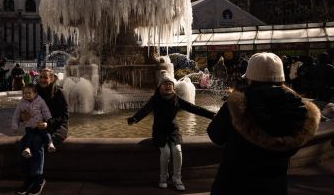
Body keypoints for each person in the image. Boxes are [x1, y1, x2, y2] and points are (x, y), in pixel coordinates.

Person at [207, 52, 321, 195]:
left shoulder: (237, 105)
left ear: (250, 78)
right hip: (275, 187)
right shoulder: (298, 109)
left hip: (234, 185)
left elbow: (215, 135)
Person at [127, 71, 215, 191]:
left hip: (173, 129)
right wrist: (134, 119)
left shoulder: (176, 99)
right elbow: (145, 110)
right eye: (165, 84)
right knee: (165, 152)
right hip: (159, 130)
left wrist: (212, 115)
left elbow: (194, 108)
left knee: (177, 150)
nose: (168, 86)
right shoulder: (155, 99)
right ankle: (163, 177)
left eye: (170, 84)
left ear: (173, 86)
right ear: (160, 86)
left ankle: (177, 178)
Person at [16, 69, 69, 195]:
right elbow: (24, 109)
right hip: (38, 127)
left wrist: (48, 123)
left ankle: (39, 179)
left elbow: (64, 117)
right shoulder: (34, 92)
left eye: (46, 78)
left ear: (51, 79)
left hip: (57, 127)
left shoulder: (59, 93)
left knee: (38, 142)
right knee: (22, 144)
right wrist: (22, 117)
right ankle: (28, 179)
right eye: (41, 77)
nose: (43, 80)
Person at [12, 84, 56, 160]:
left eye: (29, 93)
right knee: (30, 136)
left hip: (39, 124)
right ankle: (27, 149)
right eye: (25, 93)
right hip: (29, 126)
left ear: (35, 94)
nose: (27, 95)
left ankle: (50, 144)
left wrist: (49, 120)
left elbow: (46, 111)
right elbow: (16, 115)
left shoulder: (40, 100)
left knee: (45, 133)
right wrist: (15, 126)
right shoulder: (21, 103)